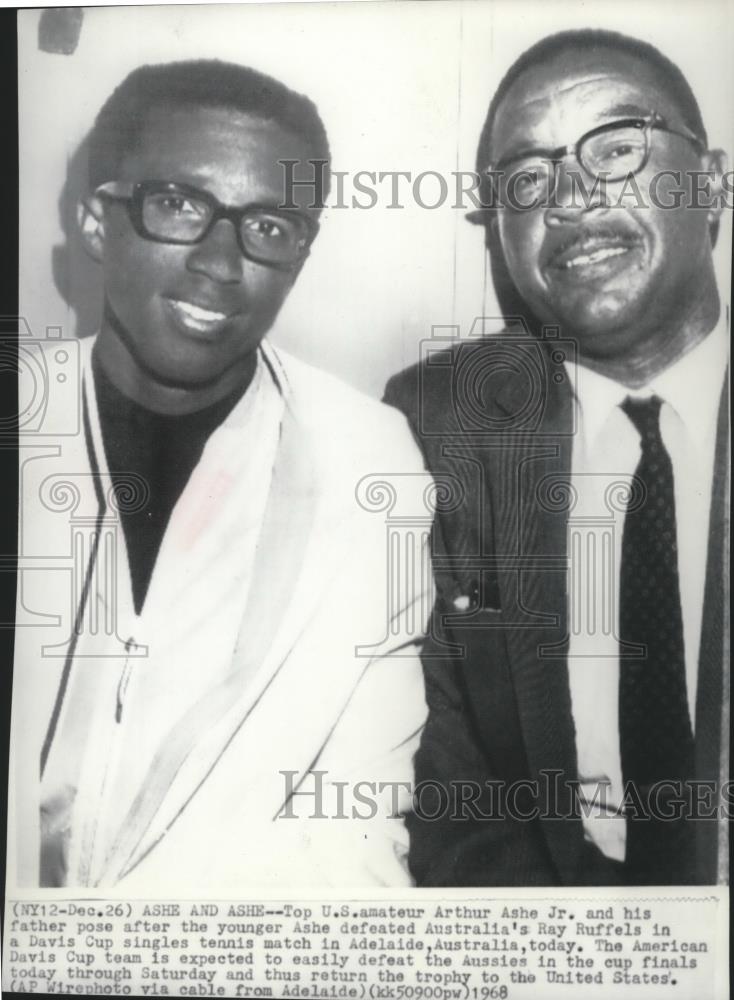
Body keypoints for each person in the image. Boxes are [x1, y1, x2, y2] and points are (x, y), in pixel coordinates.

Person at [12, 60, 429, 889]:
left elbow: (358, 818)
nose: (220, 262)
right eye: (179, 205)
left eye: (269, 228)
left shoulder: (367, 460)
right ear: (98, 223)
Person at [385, 29, 729, 886]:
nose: (570, 198)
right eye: (527, 179)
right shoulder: (437, 427)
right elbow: (449, 793)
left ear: (714, 180)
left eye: (615, 147)